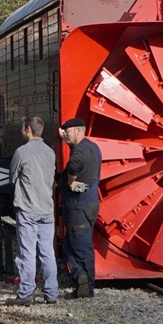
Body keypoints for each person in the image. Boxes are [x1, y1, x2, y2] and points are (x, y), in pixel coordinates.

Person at [6, 117, 59, 306]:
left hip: (28, 208)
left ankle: (26, 293)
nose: (22, 132)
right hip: (46, 208)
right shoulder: (50, 152)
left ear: (28, 129)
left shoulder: (22, 152)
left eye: (22, 130)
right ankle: (51, 293)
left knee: (27, 252)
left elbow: (12, 177)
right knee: (47, 252)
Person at [58, 118, 102, 298]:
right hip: (89, 203)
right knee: (72, 244)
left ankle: (85, 281)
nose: (66, 137)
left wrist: (70, 182)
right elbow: (78, 155)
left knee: (79, 246)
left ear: (78, 131)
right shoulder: (92, 148)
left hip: (78, 206)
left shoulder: (81, 150)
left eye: (68, 133)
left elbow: (75, 163)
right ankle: (82, 280)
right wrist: (66, 141)